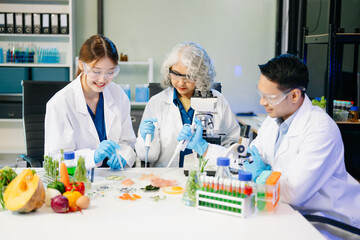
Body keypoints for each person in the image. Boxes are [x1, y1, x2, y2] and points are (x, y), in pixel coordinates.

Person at [179, 54, 360, 239]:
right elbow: (246, 159)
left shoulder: (321, 130)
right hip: (288, 214)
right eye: (261, 94)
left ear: (294, 95)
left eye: (269, 97)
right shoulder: (274, 121)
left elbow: (293, 193)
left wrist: (261, 176)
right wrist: (204, 147)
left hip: (326, 223)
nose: (262, 102)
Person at [135, 41, 240, 167]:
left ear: (201, 75)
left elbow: (233, 148)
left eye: (189, 77)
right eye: (176, 74)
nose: (180, 83)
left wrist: (205, 147)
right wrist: (147, 140)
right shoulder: (156, 103)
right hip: (167, 178)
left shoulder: (218, 101)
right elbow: (148, 157)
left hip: (205, 177)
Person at [45, 35, 136, 170]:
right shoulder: (60, 103)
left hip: (114, 176)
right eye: (96, 71)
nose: (102, 79)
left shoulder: (119, 96)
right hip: (78, 179)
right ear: (82, 65)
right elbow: (57, 158)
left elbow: (127, 142)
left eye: (110, 72)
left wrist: (124, 156)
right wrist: (92, 157)